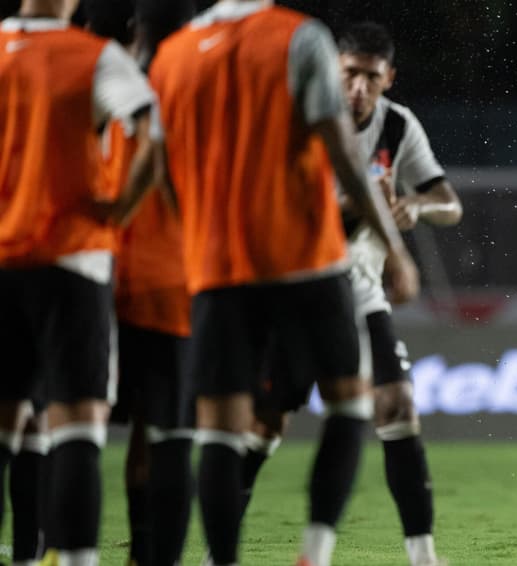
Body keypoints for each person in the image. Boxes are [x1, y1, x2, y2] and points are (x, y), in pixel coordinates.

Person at [147, 2, 419, 565]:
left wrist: (196, 238)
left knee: (222, 433)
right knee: (350, 405)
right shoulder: (300, 37)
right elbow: (343, 150)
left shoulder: (171, 55)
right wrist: (393, 246)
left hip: (218, 270)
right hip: (306, 261)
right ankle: (314, 551)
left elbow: (160, 167)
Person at [236, 21, 462, 566]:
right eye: (350, 74)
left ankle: (423, 557)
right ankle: (219, 550)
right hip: (297, 290)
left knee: (397, 405)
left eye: (371, 77)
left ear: (389, 78)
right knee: (264, 425)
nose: (359, 88)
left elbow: (450, 204)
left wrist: (414, 207)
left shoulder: (398, 126)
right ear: (333, 71)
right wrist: (364, 209)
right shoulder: (302, 120)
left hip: (360, 294)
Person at [0, 0, 159, 563]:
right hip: (72, 265)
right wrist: (120, 210)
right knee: (76, 429)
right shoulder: (94, 57)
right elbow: (154, 135)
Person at [85, 0, 197, 564]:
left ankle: (49, 547)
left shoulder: (95, 82)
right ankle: (153, 557)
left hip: (91, 276)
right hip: (169, 279)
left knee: (61, 425)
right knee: (167, 431)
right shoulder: (187, 87)